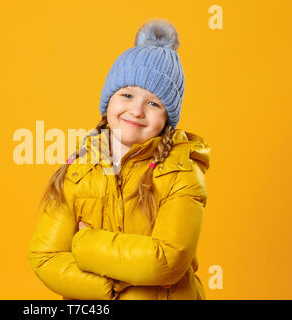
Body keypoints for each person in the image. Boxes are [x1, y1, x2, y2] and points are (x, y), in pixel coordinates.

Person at [27, 18, 210, 300]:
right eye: (126, 95)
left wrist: (85, 243)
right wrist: (110, 290)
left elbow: (166, 261)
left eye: (153, 103)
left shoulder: (182, 171)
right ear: (109, 102)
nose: (136, 110)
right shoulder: (80, 169)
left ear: (167, 119)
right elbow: (45, 257)